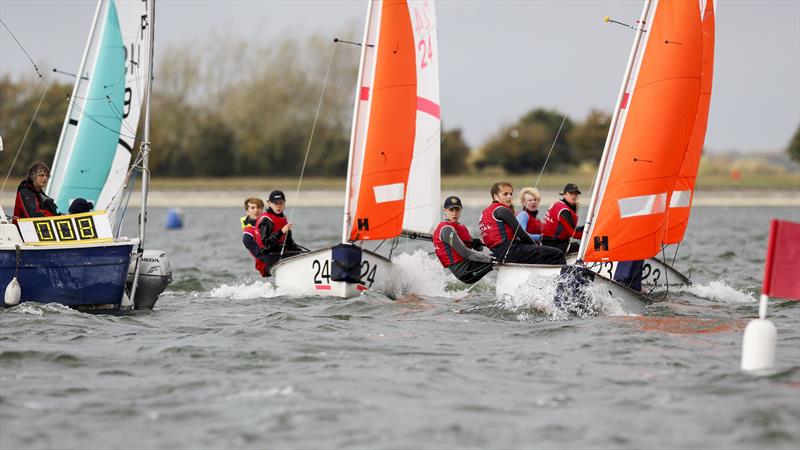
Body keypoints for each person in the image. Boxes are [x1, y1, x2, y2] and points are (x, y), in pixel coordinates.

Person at [479, 181, 565, 265]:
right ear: (495, 196)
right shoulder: (502, 210)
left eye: (510, 194)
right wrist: (536, 246)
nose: (509, 197)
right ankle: (563, 278)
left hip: (500, 253)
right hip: (512, 251)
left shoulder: (484, 213)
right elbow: (521, 233)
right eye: (505, 194)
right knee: (558, 253)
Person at [432, 196, 494, 284]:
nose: (454, 213)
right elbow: (465, 253)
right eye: (451, 210)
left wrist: (477, 243)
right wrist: (491, 259)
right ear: (445, 210)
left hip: (471, 265)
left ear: (461, 210)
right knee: (498, 259)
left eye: (457, 210)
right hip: (465, 273)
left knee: (498, 256)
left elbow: (479, 249)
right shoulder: (446, 230)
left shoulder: (460, 226)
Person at [254, 190, 307, 276]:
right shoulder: (266, 220)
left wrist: (303, 254)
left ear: (284, 203)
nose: (278, 206)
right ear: (269, 203)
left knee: (302, 255)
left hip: (280, 254)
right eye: (275, 203)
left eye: (281, 203)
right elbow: (266, 244)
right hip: (268, 258)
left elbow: (289, 243)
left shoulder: (282, 219)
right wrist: (281, 231)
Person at [542, 183, 585, 255]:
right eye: (571, 193)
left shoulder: (559, 205)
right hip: (554, 246)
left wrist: (586, 228)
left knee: (577, 245)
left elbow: (571, 229)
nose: (574, 196)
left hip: (549, 243)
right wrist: (591, 236)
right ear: (564, 194)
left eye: (576, 194)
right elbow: (574, 233)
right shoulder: (563, 210)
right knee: (583, 247)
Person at [241, 197, 267, 277]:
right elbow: (246, 241)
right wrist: (269, 259)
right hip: (266, 265)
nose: (256, 210)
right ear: (247, 211)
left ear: (262, 210)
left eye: (259, 207)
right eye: (252, 208)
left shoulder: (266, 223)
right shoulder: (249, 230)